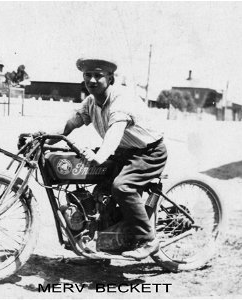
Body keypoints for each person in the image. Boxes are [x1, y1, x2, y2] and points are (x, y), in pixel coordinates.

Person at [50, 57, 168, 260]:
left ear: (110, 78)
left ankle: (149, 240)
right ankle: (101, 243)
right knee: (100, 190)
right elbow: (70, 125)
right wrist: (42, 136)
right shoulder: (91, 102)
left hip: (149, 152)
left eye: (98, 75)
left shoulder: (121, 100)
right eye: (88, 75)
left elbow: (115, 132)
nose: (92, 80)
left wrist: (99, 156)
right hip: (123, 152)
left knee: (121, 187)